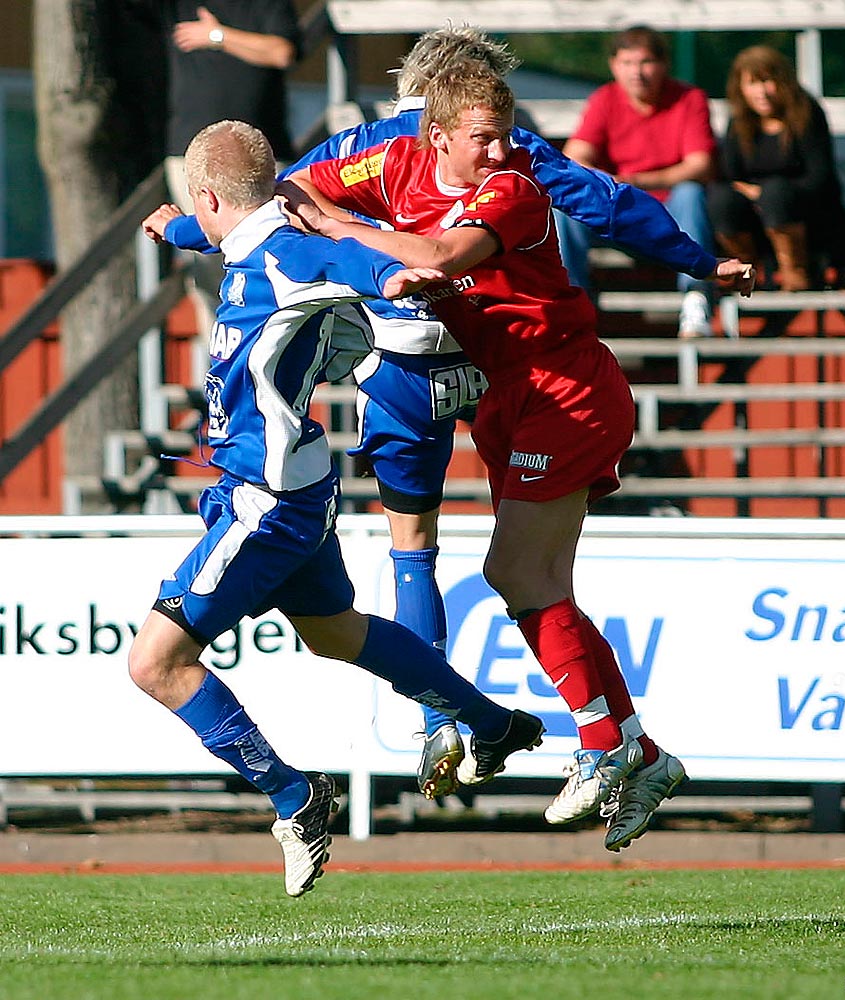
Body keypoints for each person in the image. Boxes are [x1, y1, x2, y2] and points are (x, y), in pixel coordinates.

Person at [165, 25, 754, 805]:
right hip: (483, 377)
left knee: (467, 557)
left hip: (482, 372)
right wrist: (698, 260)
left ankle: (558, 737)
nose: (498, 145)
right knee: (511, 573)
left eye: (497, 132)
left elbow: (288, 210)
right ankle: (595, 741)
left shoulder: (493, 170)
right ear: (434, 120)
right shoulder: (430, 149)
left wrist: (699, 262)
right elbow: (257, 200)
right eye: (478, 131)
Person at [135, 119, 545, 896]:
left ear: (210, 193)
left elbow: (342, 260)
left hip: (267, 500)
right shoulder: (244, 231)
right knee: (335, 634)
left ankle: (294, 796)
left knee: (154, 664)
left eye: (199, 209)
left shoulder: (290, 251)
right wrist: (175, 228)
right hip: (291, 487)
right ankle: (493, 723)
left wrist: (391, 280)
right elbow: (221, 225)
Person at [159, 1, 301, 368]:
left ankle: (276, 359)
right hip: (191, 159)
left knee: (270, 257)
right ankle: (222, 367)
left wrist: (217, 36)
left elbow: (282, 51)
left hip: (263, 157)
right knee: (208, 267)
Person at [556, 25, 720, 338]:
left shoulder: (689, 99)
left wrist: (634, 181)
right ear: (613, 66)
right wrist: (604, 181)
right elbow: (574, 155)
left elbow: (701, 165)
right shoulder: (605, 99)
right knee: (565, 208)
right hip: (617, 210)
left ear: (663, 64)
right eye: (627, 63)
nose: (637, 73)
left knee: (690, 193)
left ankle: (695, 299)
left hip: (669, 213)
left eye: (645, 62)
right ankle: (572, 305)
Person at [707, 45, 845, 292]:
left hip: (806, 217)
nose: (761, 92)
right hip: (755, 217)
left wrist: (766, 194)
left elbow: (819, 178)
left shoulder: (807, 114)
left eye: (768, 81)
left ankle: (794, 270)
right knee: (720, 199)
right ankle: (742, 269)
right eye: (752, 83)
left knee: (776, 193)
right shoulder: (739, 122)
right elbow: (729, 176)